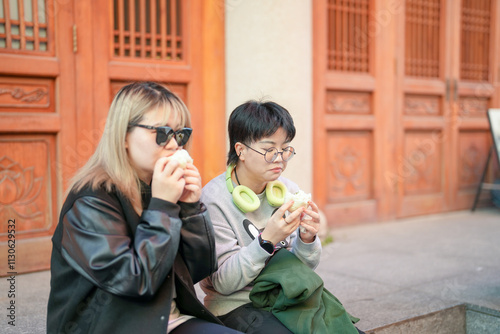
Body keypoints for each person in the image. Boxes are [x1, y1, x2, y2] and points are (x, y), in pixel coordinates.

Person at [46, 82, 243, 334]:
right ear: (124, 136)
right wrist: (162, 207)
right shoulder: (91, 201)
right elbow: (135, 281)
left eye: (180, 134)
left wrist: (191, 208)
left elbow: (197, 271)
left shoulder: (157, 187)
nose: (174, 145)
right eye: (162, 132)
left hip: (165, 318)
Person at [200, 100, 363, 333]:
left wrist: (307, 240)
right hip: (237, 305)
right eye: (268, 150)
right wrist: (266, 241)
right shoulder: (214, 199)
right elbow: (224, 284)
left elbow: (301, 268)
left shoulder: (287, 189)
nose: (279, 158)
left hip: (285, 296)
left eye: (285, 149)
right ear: (240, 150)